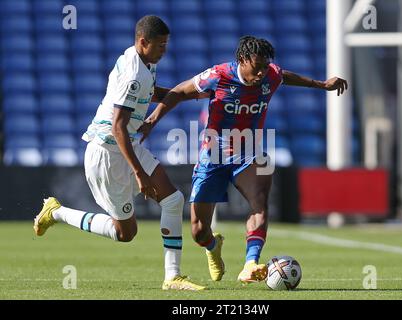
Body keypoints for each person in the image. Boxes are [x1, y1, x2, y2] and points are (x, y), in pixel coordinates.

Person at [139, 35, 348, 284]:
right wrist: (153, 119)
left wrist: (321, 84)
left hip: (249, 155)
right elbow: (178, 92)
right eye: (256, 66)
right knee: (198, 231)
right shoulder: (218, 75)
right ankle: (213, 246)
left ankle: (250, 263)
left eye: (264, 67)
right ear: (242, 60)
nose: (261, 73)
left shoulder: (271, 74)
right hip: (213, 157)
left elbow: (284, 76)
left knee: (259, 203)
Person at [33, 15, 205, 291]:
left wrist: (189, 93)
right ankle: (57, 212)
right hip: (106, 154)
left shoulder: (140, 62)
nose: (165, 50)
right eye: (160, 45)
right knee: (125, 234)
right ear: (143, 42)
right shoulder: (134, 75)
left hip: (126, 145)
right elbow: (118, 127)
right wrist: (139, 173)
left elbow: (151, 94)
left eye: (166, 44)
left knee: (173, 200)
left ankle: (172, 276)